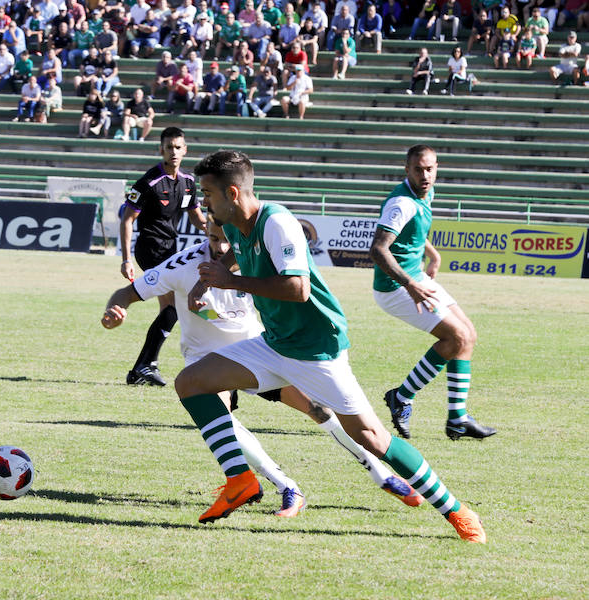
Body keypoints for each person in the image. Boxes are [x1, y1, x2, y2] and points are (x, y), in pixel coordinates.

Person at [174, 149, 486, 543]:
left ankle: (457, 511)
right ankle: (240, 480)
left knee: (373, 438)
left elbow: (298, 289)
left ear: (233, 193)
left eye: (207, 193)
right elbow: (238, 251)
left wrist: (229, 282)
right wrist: (210, 280)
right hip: (274, 344)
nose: (204, 202)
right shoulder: (234, 222)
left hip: (316, 350)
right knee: (192, 381)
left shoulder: (278, 223)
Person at [102, 216, 424, 516]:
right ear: (206, 234)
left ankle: (381, 474)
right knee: (222, 419)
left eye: (228, 240)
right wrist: (116, 309)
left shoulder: (255, 260)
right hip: (209, 363)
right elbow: (127, 292)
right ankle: (286, 486)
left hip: (263, 353)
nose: (222, 247)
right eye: (215, 239)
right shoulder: (185, 264)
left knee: (317, 409)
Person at [369, 145, 497, 443]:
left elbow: (413, 232)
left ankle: (458, 419)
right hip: (395, 286)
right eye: (418, 170)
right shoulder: (401, 203)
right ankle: (401, 397)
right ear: (407, 170)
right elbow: (378, 249)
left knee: (468, 335)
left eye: (430, 169)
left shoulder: (426, 193)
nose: (425, 175)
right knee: (456, 337)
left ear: (437, 167)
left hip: (416, 277)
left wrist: (432, 254)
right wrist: (410, 285)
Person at [118, 127, 206, 385]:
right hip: (149, 248)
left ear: (185, 149)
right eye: (169, 147)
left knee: (170, 308)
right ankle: (143, 367)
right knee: (173, 306)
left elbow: (197, 217)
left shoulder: (188, 183)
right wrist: (126, 259)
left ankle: (143, 368)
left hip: (170, 249)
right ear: (161, 150)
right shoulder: (148, 182)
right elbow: (127, 220)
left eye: (178, 147)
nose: (174, 152)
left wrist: (219, 228)